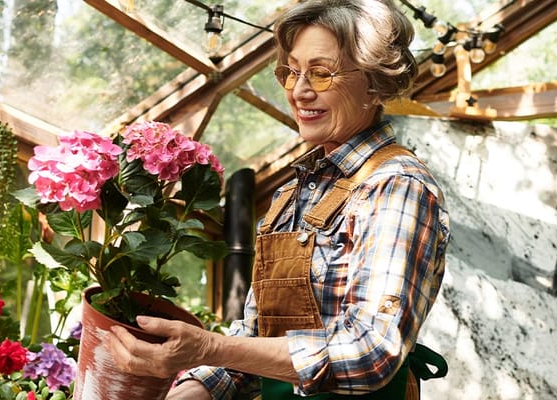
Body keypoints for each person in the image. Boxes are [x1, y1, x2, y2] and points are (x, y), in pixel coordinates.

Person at [106, 0, 450, 398]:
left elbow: (370, 352)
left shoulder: (395, 186)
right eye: (290, 72)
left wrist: (208, 346)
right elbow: (255, 337)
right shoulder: (292, 194)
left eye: (320, 74)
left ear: (375, 83)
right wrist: (196, 386)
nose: (300, 91)